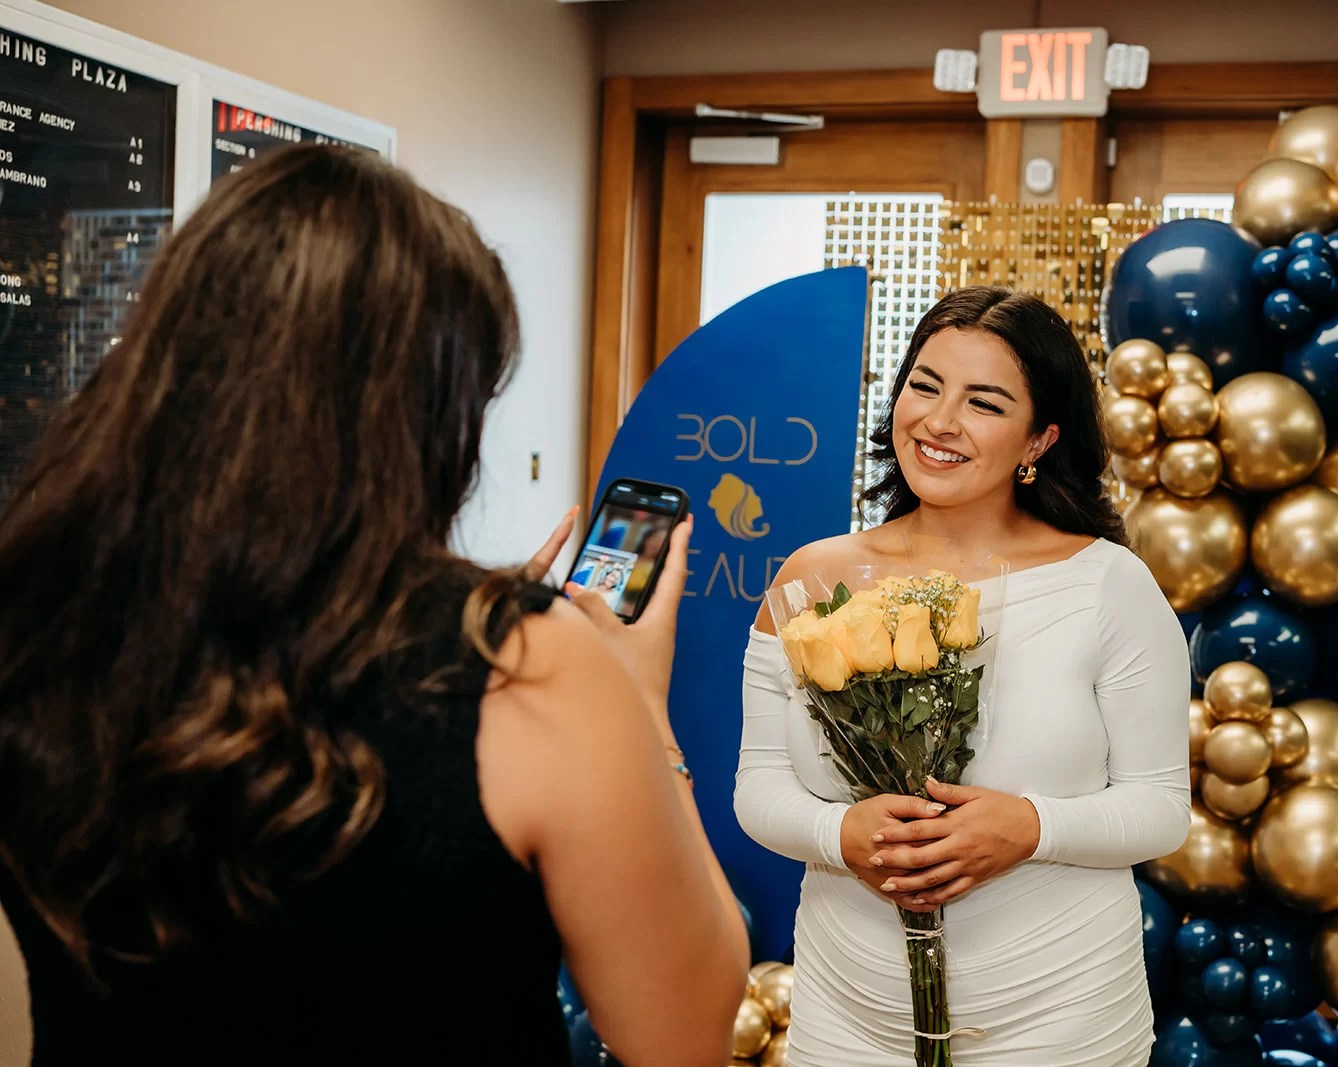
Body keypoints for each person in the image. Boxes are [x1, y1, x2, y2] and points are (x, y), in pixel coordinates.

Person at [0, 145, 748, 1066]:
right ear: (427, 413)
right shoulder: (526, 667)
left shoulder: (37, 612)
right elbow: (686, 1033)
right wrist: (637, 704)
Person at [736, 287, 1190, 1065]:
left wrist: (1030, 828)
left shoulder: (1108, 584)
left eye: (984, 402)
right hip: (847, 1018)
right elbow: (759, 785)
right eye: (925, 385)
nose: (939, 421)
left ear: (1039, 438)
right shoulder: (812, 578)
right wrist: (838, 834)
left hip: (1061, 1021)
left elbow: (1161, 808)